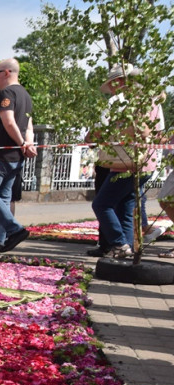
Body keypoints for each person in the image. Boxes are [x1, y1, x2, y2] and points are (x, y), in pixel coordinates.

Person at [85, 65, 164, 259]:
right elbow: (156, 132)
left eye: (112, 84)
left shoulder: (134, 102)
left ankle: (120, 244)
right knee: (126, 208)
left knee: (102, 204)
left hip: (127, 162)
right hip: (143, 162)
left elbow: (143, 131)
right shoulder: (151, 101)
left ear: (120, 81)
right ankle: (127, 250)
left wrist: (110, 133)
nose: (111, 90)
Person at [0, 58, 36, 253]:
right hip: (14, 157)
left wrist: (21, 143)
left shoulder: (8, 93)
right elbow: (29, 127)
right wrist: (27, 144)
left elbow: (8, 121)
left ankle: (14, 229)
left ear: (6, 73)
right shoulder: (26, 96)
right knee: (3, 197)